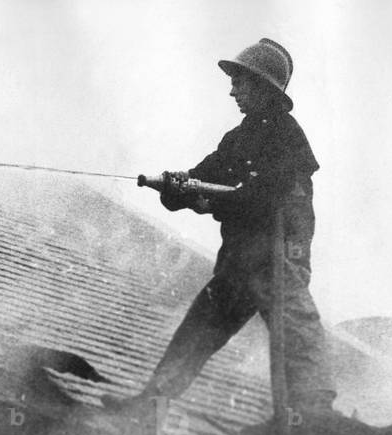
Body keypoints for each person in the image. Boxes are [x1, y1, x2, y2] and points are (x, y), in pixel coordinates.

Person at [112, 38, 336, 416]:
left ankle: (316, 418)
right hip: (239, 261)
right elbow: (205, 177)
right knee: (197, 331)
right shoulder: (238, 139)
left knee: (297, 329)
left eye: (241, 82)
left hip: (276, 258)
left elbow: (267, 197)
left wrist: (211, 196)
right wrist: (176, 186)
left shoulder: (287, 138)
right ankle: (148, 409)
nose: (232, 90)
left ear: (264, 88)